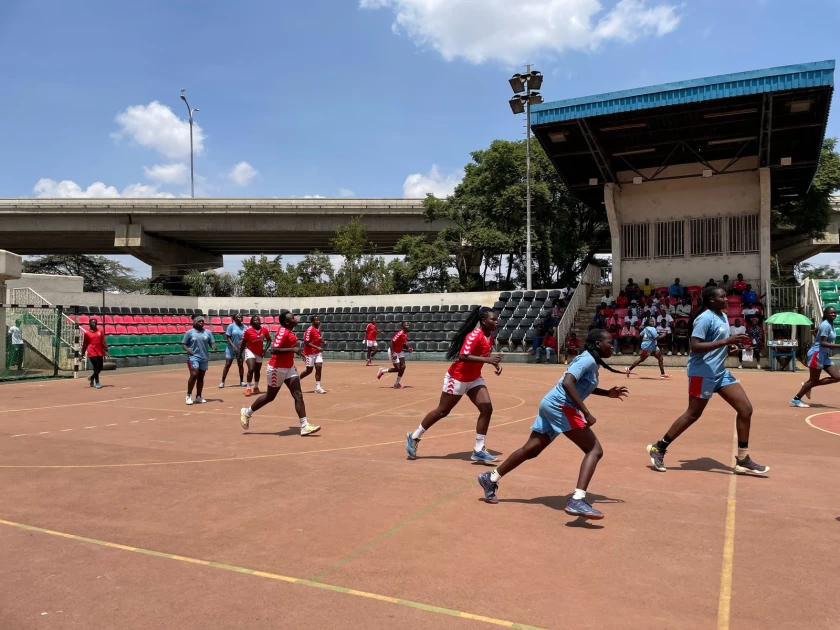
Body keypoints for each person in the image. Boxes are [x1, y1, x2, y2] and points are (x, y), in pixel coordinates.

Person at [477, 329, 629, 519]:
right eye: (609, 342)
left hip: (552, 404)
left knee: (531, 449)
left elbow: (580, 384)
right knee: (594, 450)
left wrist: (606, 393)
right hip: (561, 406)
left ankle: (490, 478)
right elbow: (567, 383)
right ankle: (577, 500)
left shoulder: (590, 360)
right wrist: (586, 413)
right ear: (598, 344)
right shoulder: (587, 360)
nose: (612, 346)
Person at [646, 287, 769, 475]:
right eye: (722, 296)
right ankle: (659, 448)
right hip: (701, 372)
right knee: (693, 414)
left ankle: (743, 459)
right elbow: (694, 346)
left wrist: (730, 347)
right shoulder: (704, 318)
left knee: (746, 409)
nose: (727, 299)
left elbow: (716, 344)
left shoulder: (722, 316)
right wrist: (726, 342)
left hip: (719, 371)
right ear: (711, 300)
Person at [406, 306, 502, 463]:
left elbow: (485, 354)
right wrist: (487, 360)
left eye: (497, 319)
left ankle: (479, 449)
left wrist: (494, 364)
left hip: (474, 378)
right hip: (457, 377)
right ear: (483, 321)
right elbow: (463, 356)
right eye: (493, 319)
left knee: (487, 408)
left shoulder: (489, 336)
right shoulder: (474, 335)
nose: (496, 322)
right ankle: (415, 436)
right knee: (443, 411)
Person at [239, 310, 320, 436]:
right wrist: (293, 349)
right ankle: (247, 412)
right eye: (292, 317)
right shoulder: (282, 331)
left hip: (289, 368)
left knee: (298, 394)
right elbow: (274, 350)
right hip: (277, 369)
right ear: (287, 321)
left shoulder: (289, 331)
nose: (295, 317)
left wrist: (296, 352)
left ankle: (304, 425)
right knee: (270, 397)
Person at [791, 306, 840, 408]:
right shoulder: (825, 325)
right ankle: (796, 399)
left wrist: (816, 339)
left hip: (824, 355)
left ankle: (807, 385)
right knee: (813, 379)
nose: (833, 314)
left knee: (837, 377)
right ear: (826, 314)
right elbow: (822, 343)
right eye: (831, 313)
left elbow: (813, 331)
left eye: (835, 313)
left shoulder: (829, 324)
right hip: (816, 354)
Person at [182, 316, 216, 405]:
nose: (201, 323)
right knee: (194, 374)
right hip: (193, 357)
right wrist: (188, 350)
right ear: (194, 323)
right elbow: (184, 344)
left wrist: (213, 345)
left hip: (204, 357)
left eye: (202, 321)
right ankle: (188, 395)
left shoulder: (208, 332)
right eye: (199, 321)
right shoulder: (189, 333)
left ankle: (198, 396)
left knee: (201, 377)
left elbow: (211, 342)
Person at [241, 316, 271, 396]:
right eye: (255, 320)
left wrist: (265, 349)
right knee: (251, 369)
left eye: (258, 319)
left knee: (257, 370)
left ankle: (256, 387)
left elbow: (269, 340)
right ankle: (248, 388)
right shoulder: (248, 331)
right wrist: (240, 353)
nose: (257, 321)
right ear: (251, 322)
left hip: (260, 352)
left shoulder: (264, 330)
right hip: (249, 350)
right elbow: (244, 342)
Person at [377, 322, 413, 389]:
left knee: (403, 367)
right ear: (403, 326)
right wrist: (393, 353)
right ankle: (382, 371)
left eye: (408, 325)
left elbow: (403, 344)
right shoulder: (400, 333)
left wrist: (408, 348)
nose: (408, 326)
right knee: (398, 369)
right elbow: (391, 342)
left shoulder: (406, 334)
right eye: (406, 325)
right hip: (393, 351)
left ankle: (396, 384)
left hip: (399, 352)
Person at [300, 315, 327, 394]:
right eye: (316, 320)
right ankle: (297, 380)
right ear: (312, 322)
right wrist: (317, 347)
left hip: (317, 353)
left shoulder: (318, 329)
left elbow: (317, 339)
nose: (318, 321)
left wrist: (322, 342)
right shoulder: (309, 330)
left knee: (319, 367)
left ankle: (318, 387)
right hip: (309, 353)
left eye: (319, 320)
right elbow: (306, 342)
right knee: (309, 371)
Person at [220, 313, 246, 389]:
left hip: (240, 349)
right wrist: (234, 346)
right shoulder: (231, 326)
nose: (240, 318)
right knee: (228, 364)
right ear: (234, 319)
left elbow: (246, 337)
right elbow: (228, 337)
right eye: (238, 317)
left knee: (240, 364)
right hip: (231, 348)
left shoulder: (245, 327)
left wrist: (243, 341)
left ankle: (241, 381)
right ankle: (222, 381)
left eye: (241, 316)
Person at [80, 317, 108, 389]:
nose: (94, 324)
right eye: (93, 323)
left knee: (100, 367)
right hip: (92, 352)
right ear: (89, 324)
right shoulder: (87, 334)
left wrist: (105, 349)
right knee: (96, 366)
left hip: (99, 351)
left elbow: (103, 341)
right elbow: (85, 344)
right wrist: (82, 354)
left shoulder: (100, 331)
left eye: (95, 323)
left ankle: (92, 377)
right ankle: (97, 382)